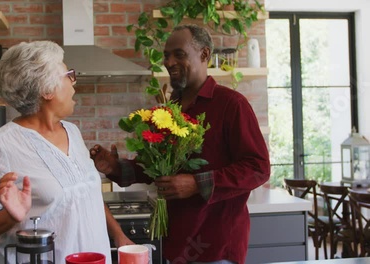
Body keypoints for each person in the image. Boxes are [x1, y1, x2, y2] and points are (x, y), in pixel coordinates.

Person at [90, 24, 270, 264]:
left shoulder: (231, 105)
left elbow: (258, 168)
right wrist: (115, 168)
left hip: (216, 247)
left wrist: (197, 183)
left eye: (179, 54)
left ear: (204, 55)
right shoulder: (167, 111)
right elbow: (152, 168)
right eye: (166, 55)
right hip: (174, 244)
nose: (170, 61)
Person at [0, 40, 132, 264]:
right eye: (68, 74)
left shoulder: (73, 132)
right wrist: (10, 217)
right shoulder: (1, 146)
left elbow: (86, 197)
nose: (74, 82)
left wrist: (118, 235)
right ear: (47, 90)